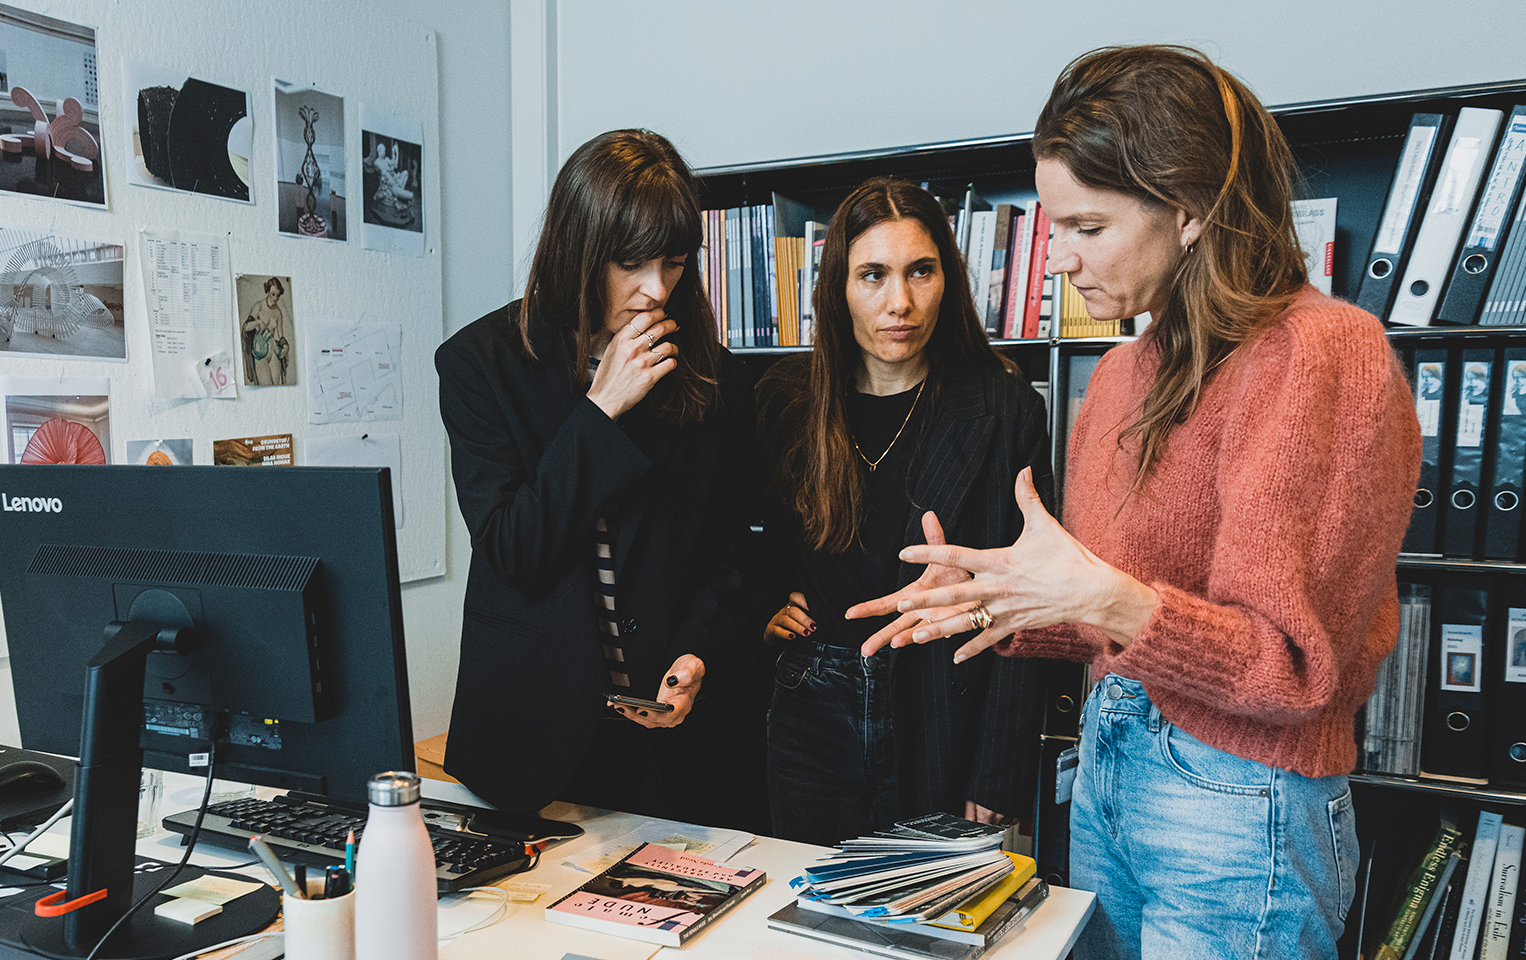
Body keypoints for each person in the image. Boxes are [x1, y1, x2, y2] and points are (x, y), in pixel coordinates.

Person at [857, 46, 1421, 959]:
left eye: (1087, 227)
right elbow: (1118, 612)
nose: (1059, 260)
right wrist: (1002, 602)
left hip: (1240, 797)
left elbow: (1293, 670)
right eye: (1055, 228)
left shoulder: (1321, 353)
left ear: (1188, 210)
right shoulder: (1122, 371)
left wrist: (1099, 597)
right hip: (1107, 767)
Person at [435, 129, 751, 818]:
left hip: (672, 738)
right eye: (631, 263)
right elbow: (515, 550)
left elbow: (727, 553)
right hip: (530, 734)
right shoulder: (479, 364)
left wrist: (697, 651)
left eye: (674, 263)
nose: (655, 290)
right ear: (577, 249)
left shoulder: (712, 374)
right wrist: (601, 409)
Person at [754, 177, 1049, 846]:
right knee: (812, 900)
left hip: (944, 702)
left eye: (921, 271)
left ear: (948, 278)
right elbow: (741, 537)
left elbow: (1034, 604)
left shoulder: (1006, 410)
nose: (901, 303)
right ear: (838, 287)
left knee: (936, 910)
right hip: (812, 704)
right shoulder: (786, 401)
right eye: (873, 275)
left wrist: (999, 772)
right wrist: (761, 605)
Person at [240, 277, 287, 386]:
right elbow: (246, 327)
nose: (275, 298)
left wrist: (286, 346)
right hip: (260, 351)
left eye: (278, 295)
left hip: (273, 351)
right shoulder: (259, 306)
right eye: (273, 294)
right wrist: (258, 322)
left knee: (276, 387)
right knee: (266, 386)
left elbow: (281, 336)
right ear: (268, 291)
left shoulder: (278, 312)